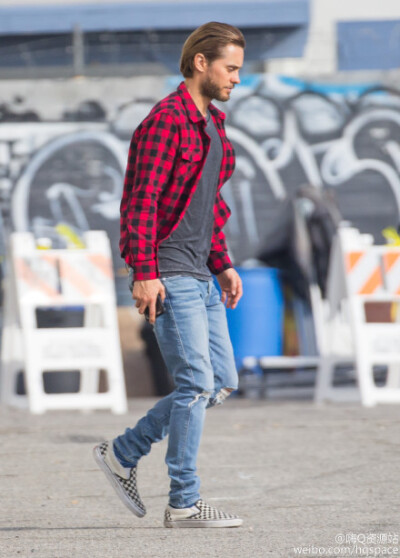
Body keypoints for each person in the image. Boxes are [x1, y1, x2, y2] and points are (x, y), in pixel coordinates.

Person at [93, 21, 245, 528]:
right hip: (169, 273)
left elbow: (206, 206)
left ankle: (123, 452)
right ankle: (183, 501)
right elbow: (140, 202)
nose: (236, 79)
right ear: (201, 62)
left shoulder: (214, 125)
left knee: (219, 381)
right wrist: (143, 271)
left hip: (200, 273)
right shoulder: (166, 121)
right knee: (196, 382)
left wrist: (221, 263)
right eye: (231, 68)